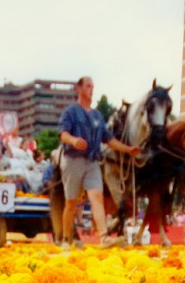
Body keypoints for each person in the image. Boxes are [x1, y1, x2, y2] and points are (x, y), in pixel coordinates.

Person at [57, 76, 141, 248]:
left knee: (97, 198)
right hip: (73, 160)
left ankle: (103, 237)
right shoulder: (71, 111)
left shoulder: (97, 115)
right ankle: (66, 238)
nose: (91, 89)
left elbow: (108, 139)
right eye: (88, 86)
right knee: (71, 202)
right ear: (78, 89)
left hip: (93, 161)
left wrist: (128, 149)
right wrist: (73, 141)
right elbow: (62, 133)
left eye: (92, 86)